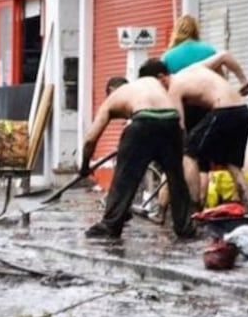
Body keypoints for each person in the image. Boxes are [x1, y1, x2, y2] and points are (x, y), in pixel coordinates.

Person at [79, 64, 196, 240]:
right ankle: (185, 227)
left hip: (143, 125)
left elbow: (90, 140)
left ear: (110, 91)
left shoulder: (113, 99)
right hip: (172, 122)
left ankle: (110, 225)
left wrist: (84, 166)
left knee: (124, 177)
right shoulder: (153, 85)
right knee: (176, 178)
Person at [148, 52, 248, 209]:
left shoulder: (174, 89)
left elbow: (179, 126)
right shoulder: (194, 68)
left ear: (161, 77)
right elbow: (225, 56)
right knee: (233, 164)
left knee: (189, 154)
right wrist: (243, 80)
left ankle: (194, 206)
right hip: (243, 111)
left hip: (223, 111)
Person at [152, 15, 220, 220]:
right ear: (196, 30)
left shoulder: (168, 56)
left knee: (174, 159)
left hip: (179, 109)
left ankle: (161, 210)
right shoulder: (210, 51)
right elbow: (221, 80)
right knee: (202, 162)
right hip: (205, 109)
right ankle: (199, 209)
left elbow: (162, 87)